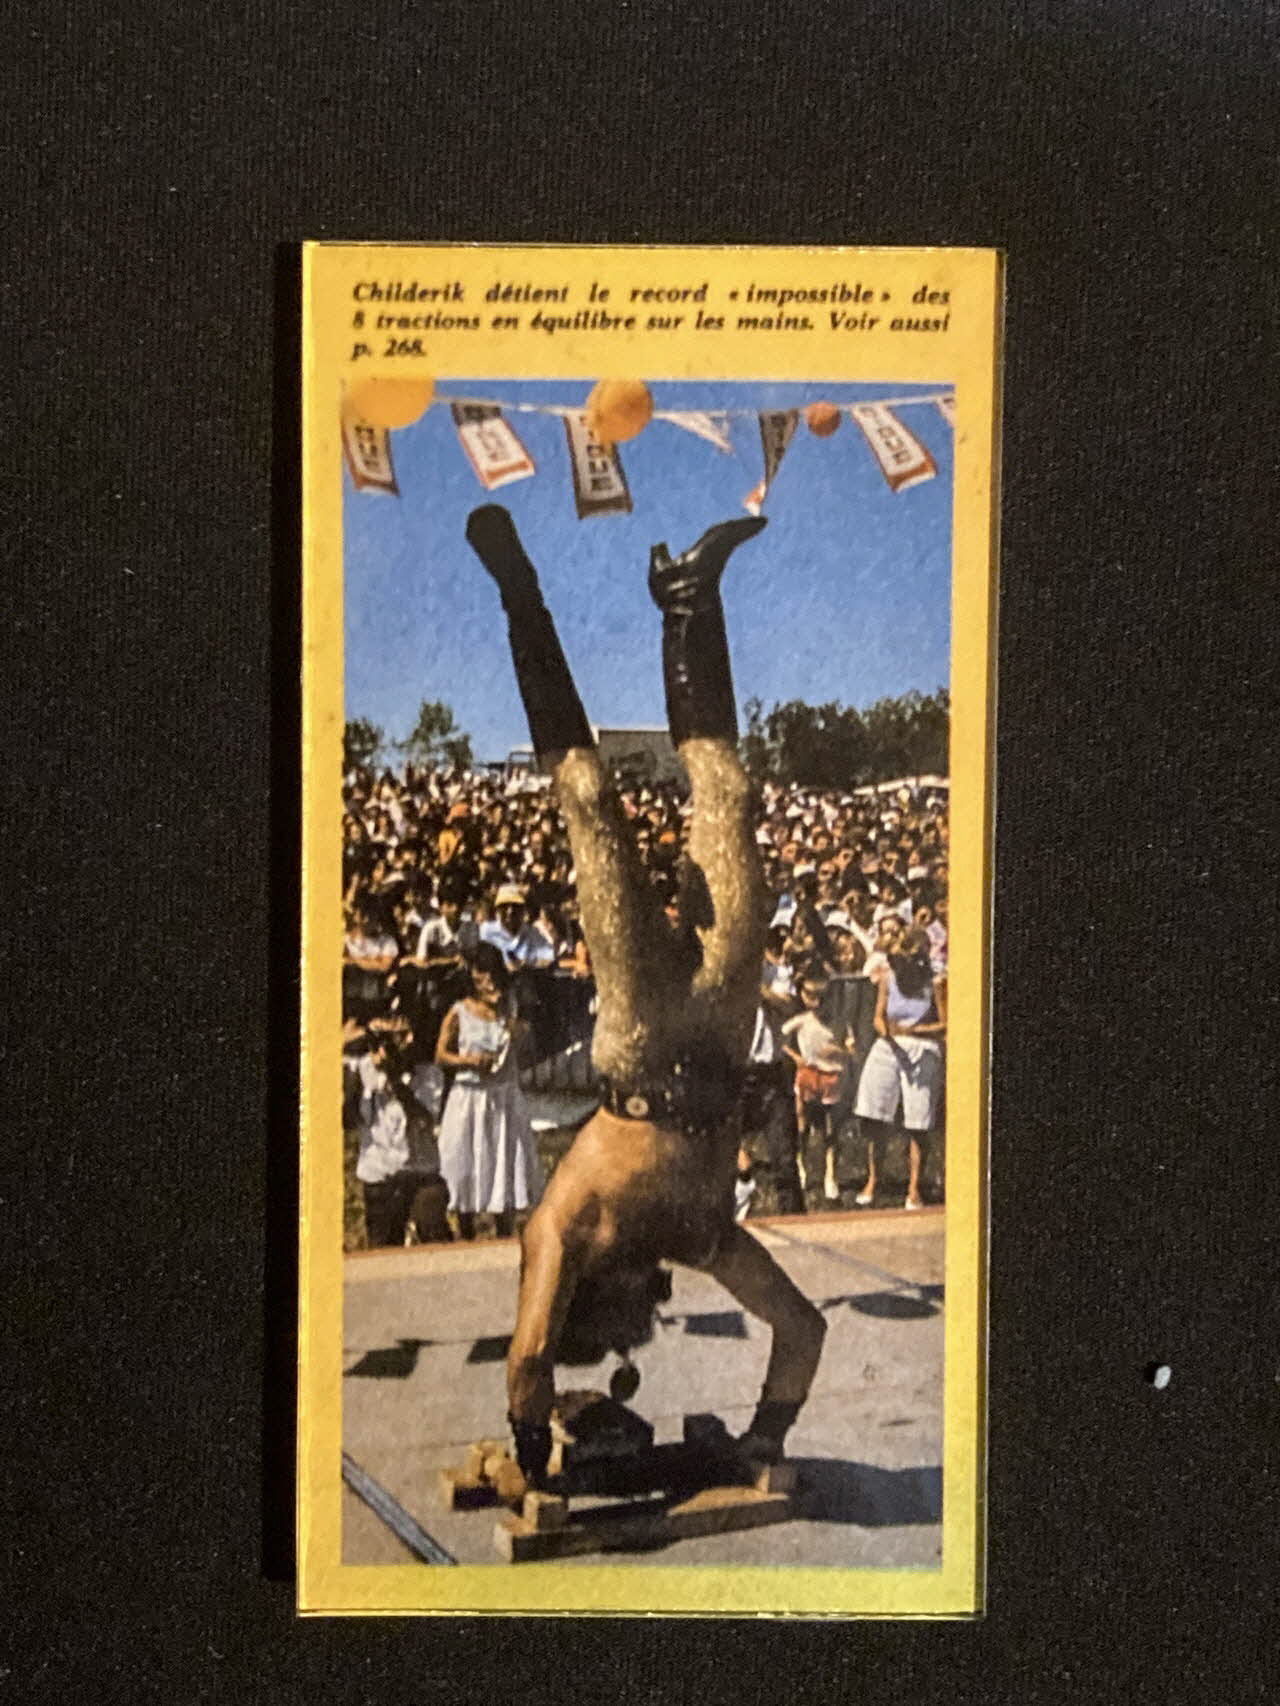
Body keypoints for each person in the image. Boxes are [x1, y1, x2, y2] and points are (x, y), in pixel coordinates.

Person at [464, 503, 826, 1486]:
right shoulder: (699, 1236)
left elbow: (527, 1360)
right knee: (730, 796)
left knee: (586, 798)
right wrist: (764, 1438)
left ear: (595, 1302)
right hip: (719, 1026)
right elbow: (803, 1329)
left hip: (638, 1038)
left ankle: (521, 596)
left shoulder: (565, 1225)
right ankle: (688, 601)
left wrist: (531, 1444)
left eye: (622, 1320)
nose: (644, 1318)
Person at [434, 942, 543, 1240]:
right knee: (465, 1162)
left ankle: (504, 1233)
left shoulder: (508, 1010)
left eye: (493, 972)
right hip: (469, 1097)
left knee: (502, 1162)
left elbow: (527, 1052)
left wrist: (519, 1031)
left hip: (502, 1096)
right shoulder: (459, 1012)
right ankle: (466, 1232)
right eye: (482, 973)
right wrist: (468, 1060)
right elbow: (440, 1055)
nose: (489, 980)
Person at [853, 926, 946, 1210]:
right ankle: (873, 1180)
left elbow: (946, 1024)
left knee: (918, 1123)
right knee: (875, 1116)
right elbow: (878, 1016)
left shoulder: (935, 982)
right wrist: (885, 1031)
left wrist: (915, 1030)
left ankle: (914, 1188)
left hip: (922, 1047)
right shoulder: (888, 979)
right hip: (889, 1046)